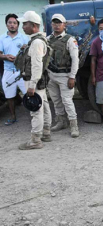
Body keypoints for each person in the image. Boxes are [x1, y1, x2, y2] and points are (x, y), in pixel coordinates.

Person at [16, 11, 52, 150]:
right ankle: (46, 133)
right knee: (44, 105)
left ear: (34, 26)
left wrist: (31, 85)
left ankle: (36, 140)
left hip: (34, 81)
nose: (22, 26)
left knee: (36, 110)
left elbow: (37, 66)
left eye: (25, 24)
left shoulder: (37, 42)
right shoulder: (37, 40)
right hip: (38, 80)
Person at [47, 14, 79, 138]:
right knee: (56, 100)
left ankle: (74, 125)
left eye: (59, 23)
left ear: (64, 25)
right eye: (54, 23)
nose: (56, 25)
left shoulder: (70, 40)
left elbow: (75, 59)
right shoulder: (48, 39)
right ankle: (61, 122)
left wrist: (72, 77)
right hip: (51, 75)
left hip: (64, 76)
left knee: (67, 101)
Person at [0, 14, 29, 125]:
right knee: (9, 96)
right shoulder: (2, 38)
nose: (12, 25)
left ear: (18, 25)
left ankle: (32, 116)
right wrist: (5, 57)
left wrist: (22, 53)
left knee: (28, 94)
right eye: (10, 23)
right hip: (8, 71)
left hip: (22, 71)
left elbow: (28, 54)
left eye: (14, 23)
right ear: (6, 24)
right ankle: (13, 117)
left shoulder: (24, 38)